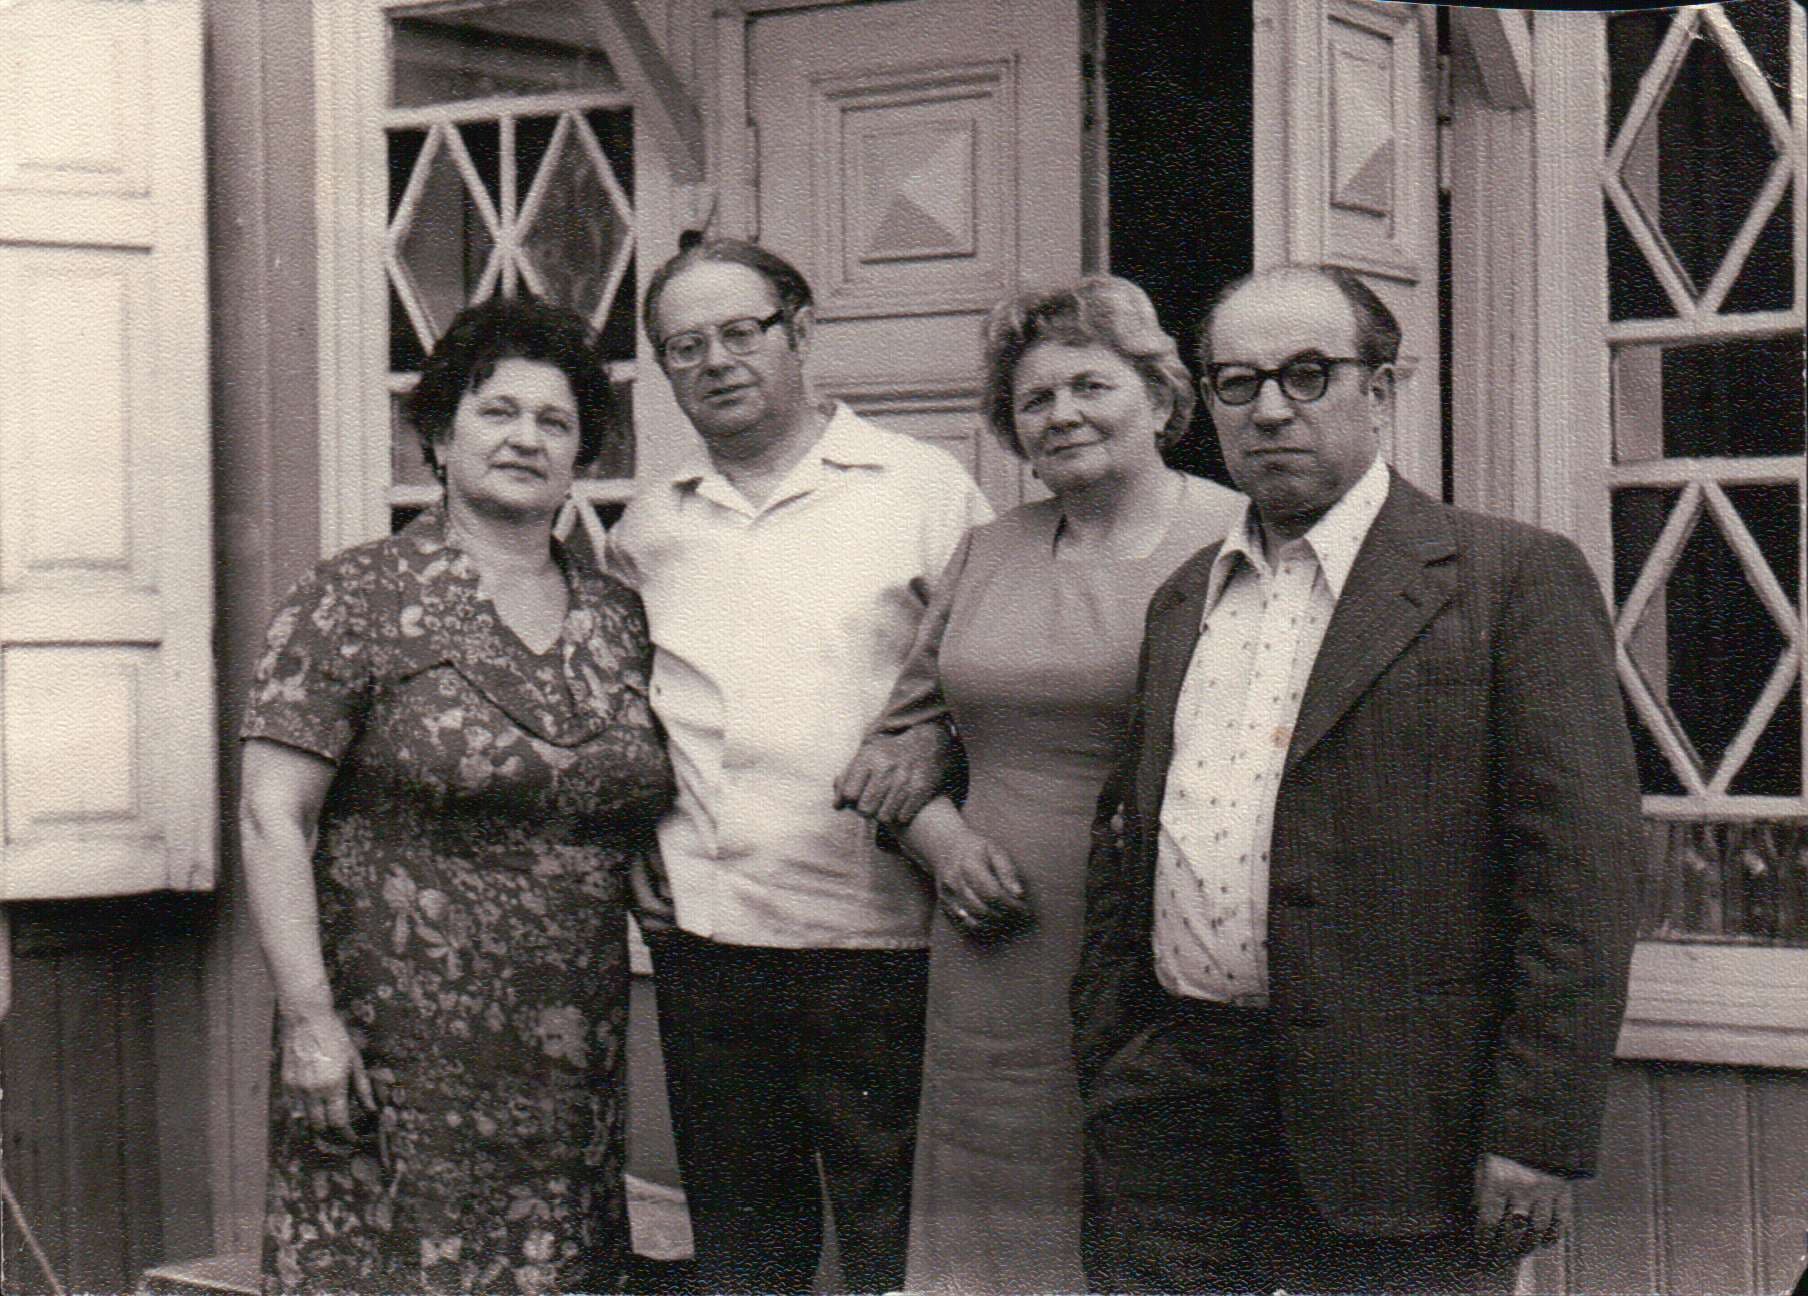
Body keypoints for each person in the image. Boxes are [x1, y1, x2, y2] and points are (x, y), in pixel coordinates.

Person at [1071, 265, 1643, 1294]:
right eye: (1236, 383)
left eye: (1306, 374)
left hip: (1402, 1134)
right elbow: (1132, 844)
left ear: (1378, 392)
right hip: (1175, 1122)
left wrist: (1536, 1133)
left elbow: (1580, 883)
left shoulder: (1508, 580)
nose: (1270, 409)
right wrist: (1113, 1056)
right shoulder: (1179, 603)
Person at [239, 297, 670, 1294]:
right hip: (389, 1050)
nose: (526, 438)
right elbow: (274, 816)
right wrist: (311, 1022)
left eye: (554, 422)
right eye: (497, 412)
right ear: (437, 434)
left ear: (582, 456)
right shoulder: (352, 597)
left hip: (568, 1061)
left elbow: (641, 791)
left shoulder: (618, 618)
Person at [835, 276, 1242, 1293]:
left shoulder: (1238, 538)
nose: (1060, 414)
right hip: (991, 948)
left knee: (1150, 1208)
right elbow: (892, 750)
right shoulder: (987, 550)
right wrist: (942, 845)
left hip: (1168, 944)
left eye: (1088, 386)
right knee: (996, 1211)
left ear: (1157, 397)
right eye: (1033, 400)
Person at [606, 236, 992, 1294]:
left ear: (800, 331)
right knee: (741, 1245)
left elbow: (992, 679)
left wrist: (934, 742)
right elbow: (627, 707)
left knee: (892, 1241)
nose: (717, 361)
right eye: (685, 346)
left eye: (741, 333)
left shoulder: (919, 489)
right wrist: (632, 835)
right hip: (711, 941)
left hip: (882, 940)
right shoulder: (651, 524)